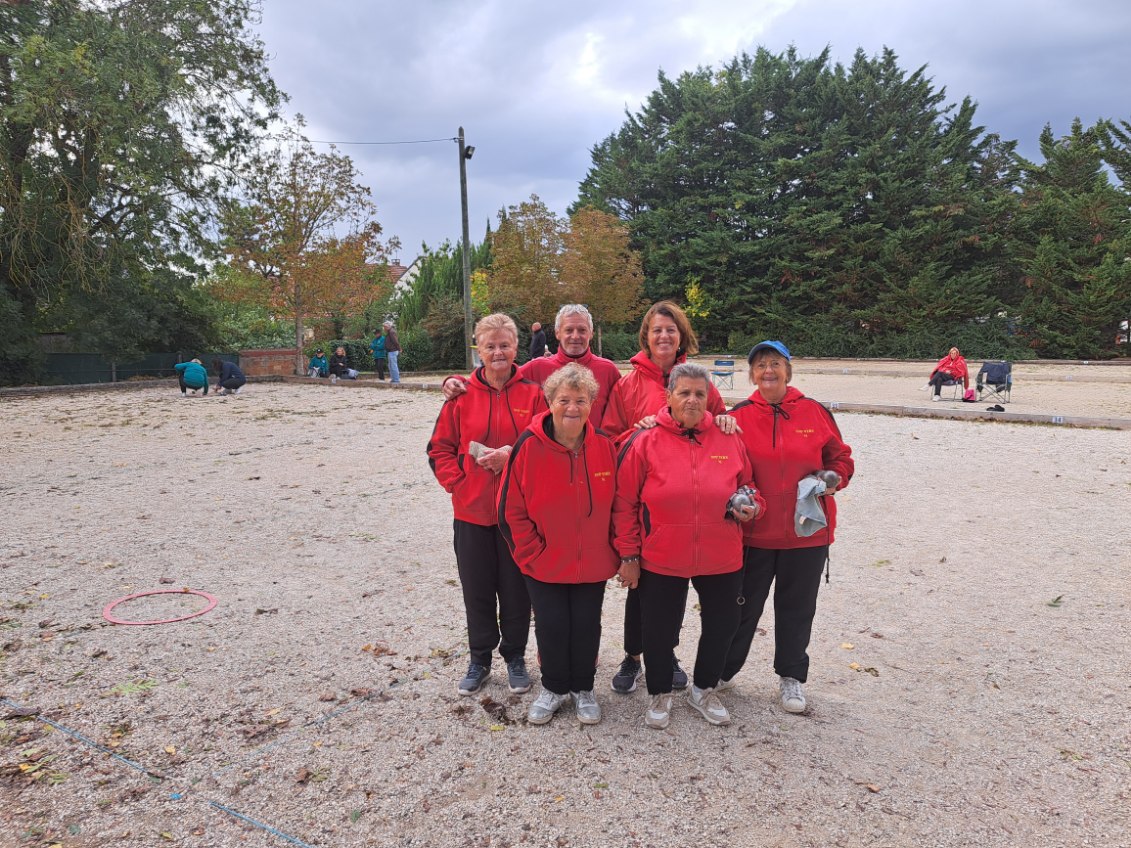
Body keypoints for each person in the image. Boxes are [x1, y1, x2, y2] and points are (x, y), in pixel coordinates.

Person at [613, 363, 761, 729]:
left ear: (710, 399)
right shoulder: (645, 440)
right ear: (669, 397)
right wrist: (629, 554)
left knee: (722, 625)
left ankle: (703, 689)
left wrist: (753, 506)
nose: (692, 400)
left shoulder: (729, 438)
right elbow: (624, 503)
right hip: (663, 554)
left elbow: (750, 487)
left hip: (720, 553)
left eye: (700, 394)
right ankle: (660, 693)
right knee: (659, 628)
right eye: (684, 393)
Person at [718, 340, 854, 715]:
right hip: (755, 534)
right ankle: (725, 670)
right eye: (760, 365)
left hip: (806, 532)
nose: (768, 371)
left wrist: (834, 479)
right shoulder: (739, 416)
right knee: (742, 608)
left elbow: (840, 458)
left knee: (797, 608)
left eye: (775, 363)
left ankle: (791, 676)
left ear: (788, 370)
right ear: (752, 374)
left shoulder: (813, 411)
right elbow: (724, 466)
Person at [601, 300, 728, 696]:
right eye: (657, 330)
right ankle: (633, 655)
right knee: (640, 586)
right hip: (643, 498)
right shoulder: (628, 383)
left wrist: (727, 419)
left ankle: (665, 653)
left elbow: (717, 423)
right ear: (647, 334)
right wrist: (635, 433)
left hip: (684, 501)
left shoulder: (699, 380)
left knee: (670, 589)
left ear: (681, 335)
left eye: (671, 330)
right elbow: (608, 436)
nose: (664, 336)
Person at [427, 313, 547, 697]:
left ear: (516, 348)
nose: (498, 352)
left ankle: (514, 657)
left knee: (516, 592)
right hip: (472, 512)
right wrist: (458, 483)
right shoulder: (461, 396)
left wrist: (511, 456)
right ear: (477, 348)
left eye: (505, 345)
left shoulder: (534, 394)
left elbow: (546, 444)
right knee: (477, 590)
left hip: (518, 516)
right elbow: (439, 449)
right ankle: (479, 658)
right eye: (490, 345)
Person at [498, 364, 617, 726]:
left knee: (585, 625)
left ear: (592, 403)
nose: (572, 407)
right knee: (551, 625)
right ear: (549, 401)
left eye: (580, 400)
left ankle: (583, 688)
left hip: (592, 563)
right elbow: (510, 509)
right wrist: (533, 552)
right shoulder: (528, 446)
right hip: (544, 562)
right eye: (563, 399)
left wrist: (614, 550)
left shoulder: (605, 447)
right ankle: (553, 687)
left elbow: (621, 505)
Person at [442, 304, 623, 423]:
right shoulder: (537, 368)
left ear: (590, 333)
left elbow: (624, 413)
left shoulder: (608, 370)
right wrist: (456, 381)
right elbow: (496, 380)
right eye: (569, 330)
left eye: (582, 330)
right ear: (558, 333)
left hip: (594, 459)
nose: (575, 336)